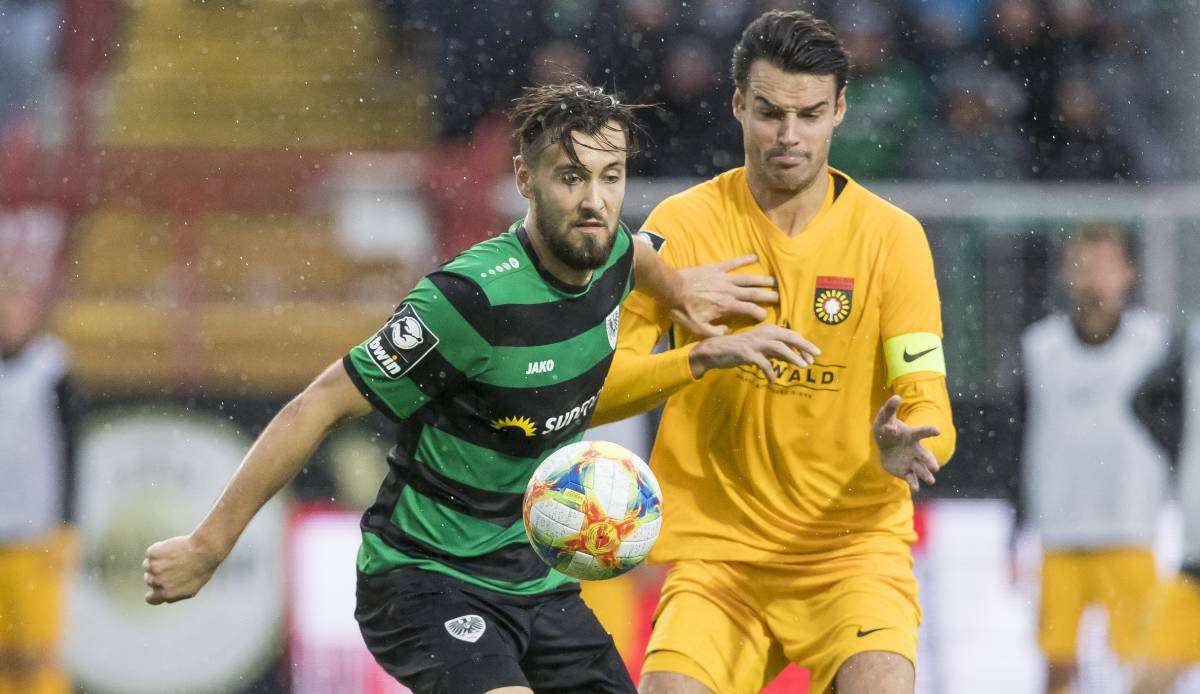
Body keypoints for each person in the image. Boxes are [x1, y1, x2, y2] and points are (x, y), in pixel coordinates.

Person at [142, 82, 810, 694]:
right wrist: (209, 545)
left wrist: (682, 291)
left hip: (535, 577)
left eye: (612, 177)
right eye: (571, 177)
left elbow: (635, 255)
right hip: (424, 579)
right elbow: (316, 405)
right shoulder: (467, 302)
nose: (595, 200)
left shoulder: (610, 251)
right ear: (525, 178)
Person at [591, 10, 955, 694]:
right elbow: (599, 387)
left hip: (853, 555)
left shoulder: (893, 239)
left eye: (810, 115)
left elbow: (928, 398)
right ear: (737, 104)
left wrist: (910, 442)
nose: (789, 136)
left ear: (840, 110)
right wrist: (699, 358)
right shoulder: (682, 228)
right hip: (720, 563)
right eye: (769, 113)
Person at [1010, 227, 1171, 694]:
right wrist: (1016, 524)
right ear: (1064, 274)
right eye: (1082, 266)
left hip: (1131, 529)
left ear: (1128, 275)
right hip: (1060, 533)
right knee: (1057, 664)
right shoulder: (1040, 347)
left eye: (1103, 266)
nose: (1092, 280)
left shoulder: (1155, 343)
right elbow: (1019, 436)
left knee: (1146, 665)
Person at [0, 272, 78, 694]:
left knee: (38, 649)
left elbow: (71, 449)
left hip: (36, 532)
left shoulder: (52, 368)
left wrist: (67, 522)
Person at [1129, 319, 1198, 694]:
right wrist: (1183, 453)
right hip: (1193, 568)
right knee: (1146, 684)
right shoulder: (1192, 343)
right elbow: (1144, 399)